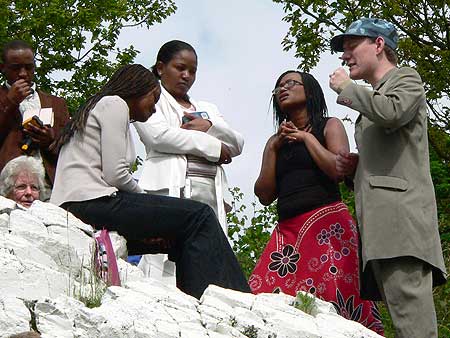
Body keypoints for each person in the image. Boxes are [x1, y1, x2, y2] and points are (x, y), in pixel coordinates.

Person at [50, 64, 250, 299]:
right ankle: (239, 296)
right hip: (91, 201)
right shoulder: (114, 103)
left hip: (79, 203)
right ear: (136, 90)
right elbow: (116, 174)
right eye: (152, 99)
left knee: (176, 236)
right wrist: (149, 201)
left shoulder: (98, 108)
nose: (154, 109)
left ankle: (195, 301)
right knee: (200, 215)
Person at [329, 18, 447, 338]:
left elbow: (392, 112)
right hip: (381, 232)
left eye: (352, 46)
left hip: (402, 228)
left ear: (379, 45)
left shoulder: (406, 78)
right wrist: (357, 167)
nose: (344, 56)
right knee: (403, 323)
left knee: (414, 328)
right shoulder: (374, 99)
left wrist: (348, 88)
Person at [249, 70, 383, 334]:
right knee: (264, 294)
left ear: (309, 91)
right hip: (287, 232)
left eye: (290, 83)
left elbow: (338, 168)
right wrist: (274, 148)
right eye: (278, 87)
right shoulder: (274, 143)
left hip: (327, 225)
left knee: (337, 300)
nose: (282, 89)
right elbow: (264, 195)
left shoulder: (329, 125)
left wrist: (307, 138)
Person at [134, 40, 244, 281]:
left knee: (209, 254)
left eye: (192, 71)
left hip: (210, 192)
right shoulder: (150, 99)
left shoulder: (207, 108)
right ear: (161, 68)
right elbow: (158, 136)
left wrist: (210, 126)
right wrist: (213, 146)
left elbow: (237, 144)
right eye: (180, 68)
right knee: (163, 261)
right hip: (169, 188)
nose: (187, 76)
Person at [0, 40, 69, 187]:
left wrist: (50, 141)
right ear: (3, 68)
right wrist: (10, 102)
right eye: (15, 68)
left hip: (48, 185)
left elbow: (71, 150)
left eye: (29, 67)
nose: (23, 74)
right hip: (7, 186)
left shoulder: (57, 104)